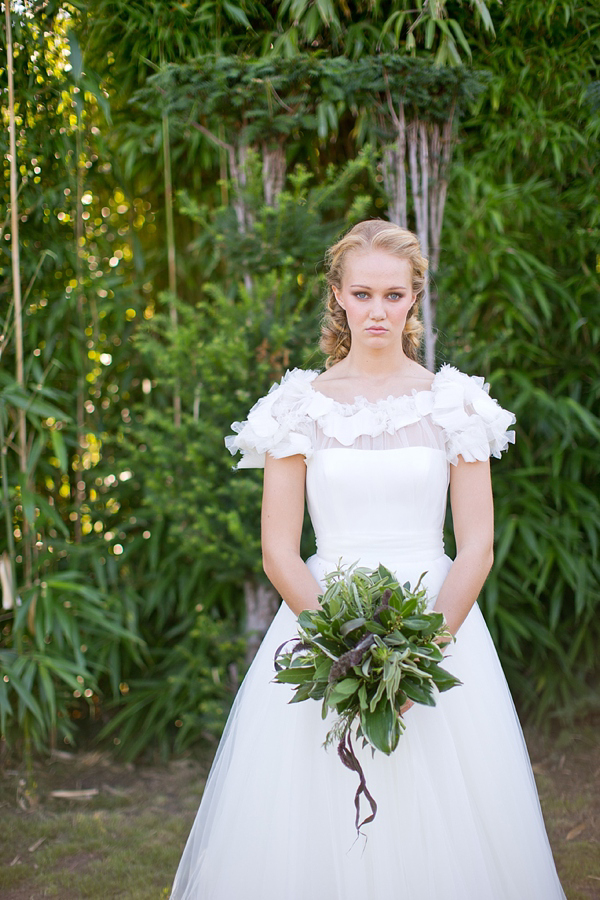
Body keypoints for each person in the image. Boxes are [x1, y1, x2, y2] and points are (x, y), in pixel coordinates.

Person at [170, 220, 566, 899]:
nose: (377, 310)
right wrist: (347, 648)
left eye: (393, 295)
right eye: (362, 294)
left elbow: (477, 544)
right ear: (338, 297)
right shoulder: (297, 408)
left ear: (415, 299)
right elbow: (278, 549)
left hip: (440, 627)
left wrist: (418, 654)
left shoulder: (456, 403)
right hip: (323, 624)